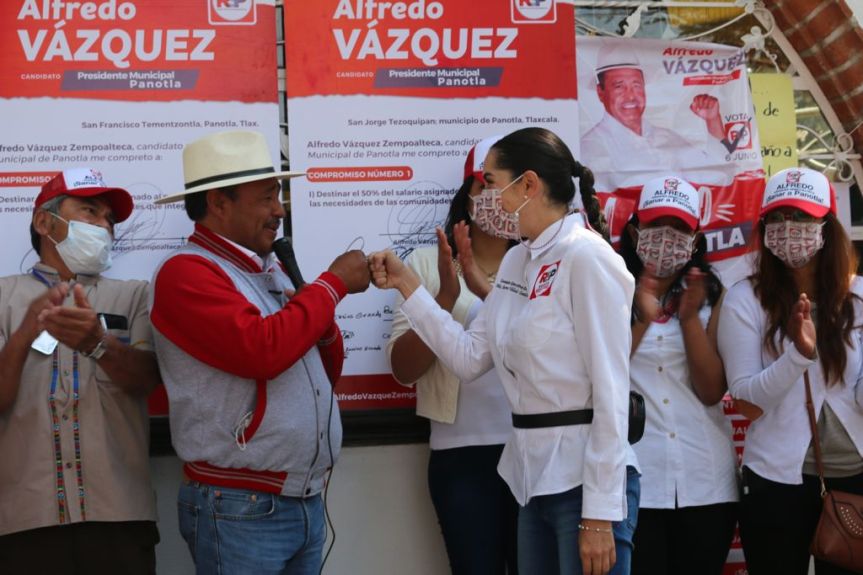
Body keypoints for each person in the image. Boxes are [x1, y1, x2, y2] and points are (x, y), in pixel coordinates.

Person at [371, 127, 639, 575]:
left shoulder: (587, 257)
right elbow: (470, 357)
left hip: (583, 483)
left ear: (529, 184)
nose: (486, 197)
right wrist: (408, 284)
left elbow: (612, 393)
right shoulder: (520, 261)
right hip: (530, 480)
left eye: (492, 183)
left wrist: (599, 512)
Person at [149, 130, 370, 575]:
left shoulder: (265, 267)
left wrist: (315, 307)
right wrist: (332, 285)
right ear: (218, 202)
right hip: (240, 505)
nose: (279, 210)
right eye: (267, 197)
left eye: (279, 195)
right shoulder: (186, 272)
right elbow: (262, 351)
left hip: (295, 498)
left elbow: (324, 370)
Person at [0, 168, 161, 574]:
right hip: (25, 518)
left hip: (119, 516)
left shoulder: (135, 295)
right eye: (90, 211)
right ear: (44, 222)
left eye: (109, 218)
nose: (103, 226)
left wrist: (97, 343)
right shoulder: (4, 296)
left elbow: (148, 380)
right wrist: (24, 334)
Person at [718, 167, 863, 575]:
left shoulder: (859, 296)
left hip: (855, 477)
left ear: (827, 226)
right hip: (777, 482)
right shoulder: (746, 297)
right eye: (777, 218)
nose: (789, 229)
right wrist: (797, 356)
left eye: (801, 217)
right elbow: (746, 403)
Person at [388, 136, 519, 574]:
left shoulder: (544, 262)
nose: (495, 199)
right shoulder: (427, 263)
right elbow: (403, 371)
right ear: (468, 196)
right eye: (484, 186)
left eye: (506, 186)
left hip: (536, 449)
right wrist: (443, 297)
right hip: (461, 457)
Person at [618, 175, 738, 575]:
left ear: (696, 239)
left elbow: (710, 391)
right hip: (636, 479)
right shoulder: (608, 287)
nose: (666, 237)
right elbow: (604, 374)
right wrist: (642, 316)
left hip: (705, 479)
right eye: (655, 226)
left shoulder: (714, 298)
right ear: (635, 231)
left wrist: (688, 319)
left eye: (680, 229)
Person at [581, 46, 733, 189]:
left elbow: (718, 175)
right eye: (619, 86)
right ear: (600, 92)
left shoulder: (667, 137)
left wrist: (713, 120)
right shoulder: (590, 148)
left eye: (636, 85)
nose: (630, 96)